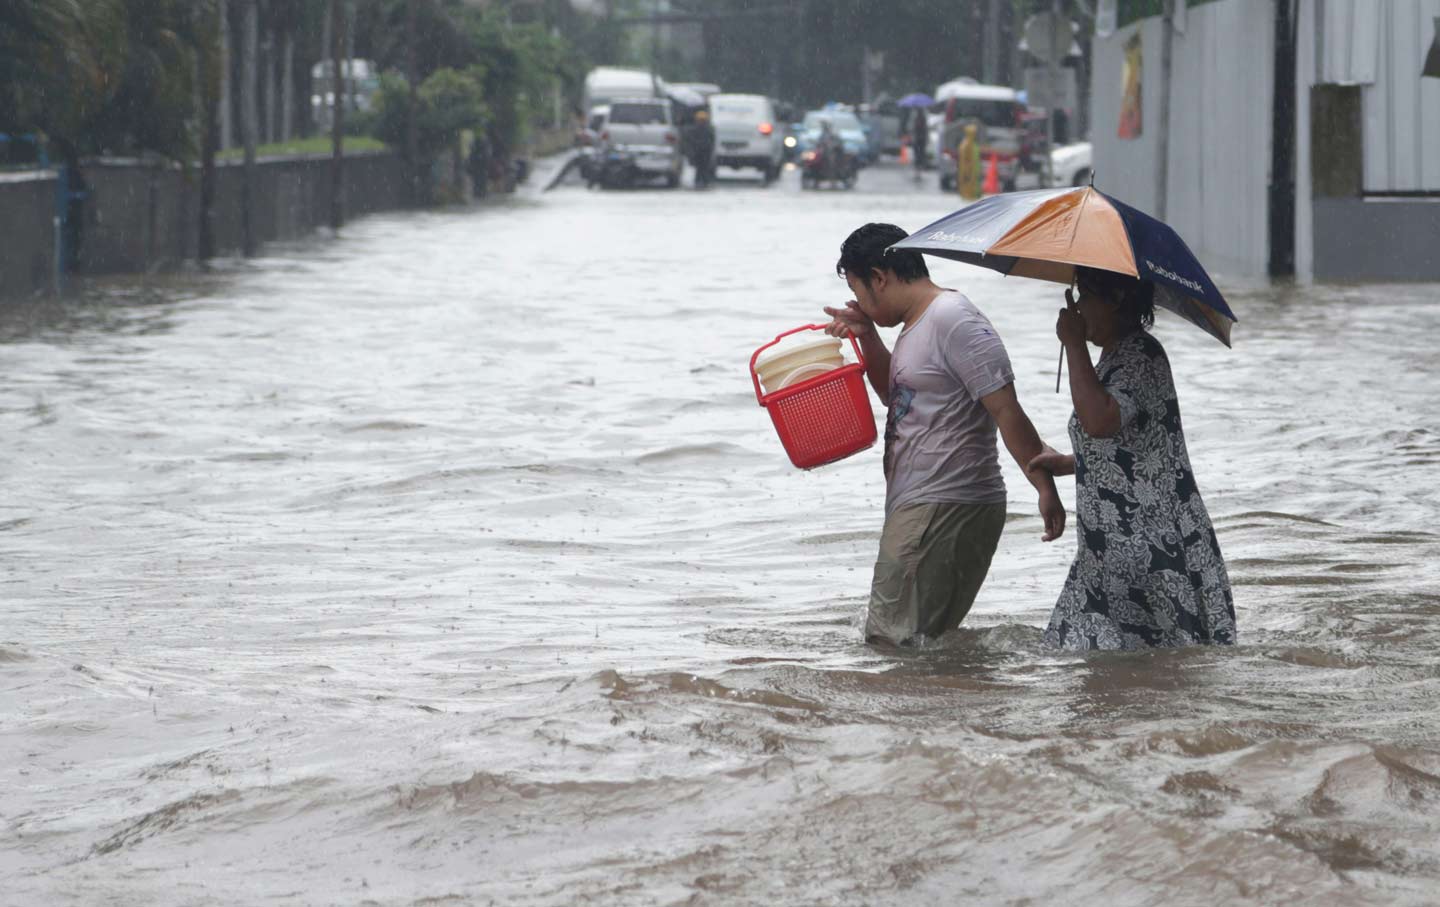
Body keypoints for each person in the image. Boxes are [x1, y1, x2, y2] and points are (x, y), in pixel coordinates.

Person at [823, 223, 1066, 646]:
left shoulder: (952, 319)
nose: (859, 302)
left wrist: (1042, 484)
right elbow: (896, 398)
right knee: (921, 643)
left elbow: (1006, 408)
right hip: (926, 505)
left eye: (860, 290)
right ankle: (951, 708)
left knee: (889, 643)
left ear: (880, 277)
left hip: (944, 502)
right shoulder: (917, 324)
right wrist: (869, 337)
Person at [1028, 267, 1237, 651]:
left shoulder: (1141, 355)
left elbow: (1100, 419)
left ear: (1117, 299)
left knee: (1153, 670)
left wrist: (1073, 346)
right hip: (1110, 548)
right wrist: (1070, 462)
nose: (1077, 306)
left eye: (1085, 295)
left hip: (1150, 545)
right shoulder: (1114, 356)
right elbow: (1137, 447)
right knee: (1096, 670)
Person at [682, 109, 716, 188]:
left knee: (703, 167)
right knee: (701, 167)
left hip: (704, 151)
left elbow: (711, 140)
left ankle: (703, 181)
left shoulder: (708, 129)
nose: (701, 122)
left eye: (702, 120)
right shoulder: (698, 129)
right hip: (699, 151)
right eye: (700, 120)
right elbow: (690, 141)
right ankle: (701, 181)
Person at [911, 107, 929, 175]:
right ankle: (919, 167)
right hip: (921, 139)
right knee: (920, 153)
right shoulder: (923, 119)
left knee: (918, 154)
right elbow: (926, 129)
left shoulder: (917, 119)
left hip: (918, 139)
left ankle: (918, 167)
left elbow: (914, 129)